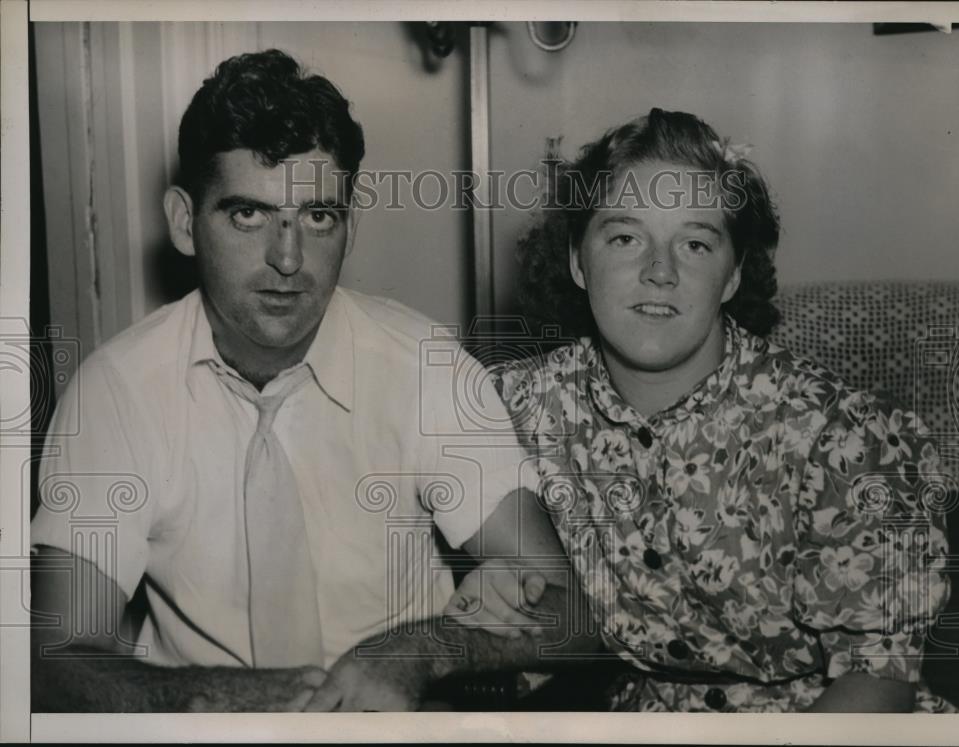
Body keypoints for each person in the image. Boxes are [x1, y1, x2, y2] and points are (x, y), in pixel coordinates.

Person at [29, 49, 564, 712]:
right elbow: (51, 661)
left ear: (349, 225)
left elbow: (574, 614)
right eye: (248, 215)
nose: (288, 259)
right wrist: (224, 697)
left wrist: (421, 650)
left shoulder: (423, 364)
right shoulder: (116, 389)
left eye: (318, 218)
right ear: (183, 222)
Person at [447, 108, 955, 712]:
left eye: (694, 242)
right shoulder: (510, 407)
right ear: (579, 260)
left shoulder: (842, 437)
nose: (660, 272)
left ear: (735, 273)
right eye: (625, 237)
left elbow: (877, 681)